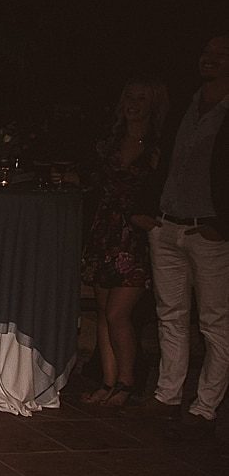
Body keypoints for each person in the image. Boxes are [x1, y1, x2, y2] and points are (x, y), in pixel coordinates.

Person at [133, 32, 229, 429]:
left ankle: (205, 404)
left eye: (221, 55)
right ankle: (167, 394)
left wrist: (221, 226)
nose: (210, 59)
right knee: (170, 315)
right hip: (168, 225)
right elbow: (163, 160)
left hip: (208, 231)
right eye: (207, 52)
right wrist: (146, 210)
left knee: (214, 322)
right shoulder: (186, 105)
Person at [80, 79, 168, 406]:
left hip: (135, 234)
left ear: (153, 104)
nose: (134, 104)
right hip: (105, 229)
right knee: (104, 311)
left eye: (141, 99)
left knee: (119, 313)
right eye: (129, 97)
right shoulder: (111, 141)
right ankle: (108, 381)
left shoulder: (158, 145)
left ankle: (127, 384)